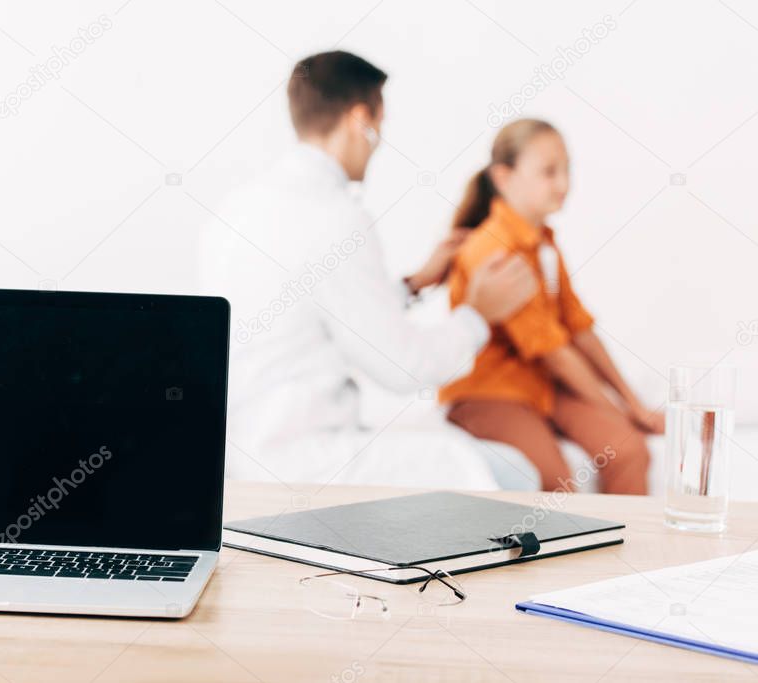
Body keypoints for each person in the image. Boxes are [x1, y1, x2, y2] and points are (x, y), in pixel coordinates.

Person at [198, 51, 537, 490]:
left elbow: (310, 317)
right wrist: (477, 314)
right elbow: (404, 368)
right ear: (361, 119)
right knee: (512, 472)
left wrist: (412, 285)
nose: (377, 144)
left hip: (240, 453)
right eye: (381, 128)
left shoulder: (238, 208)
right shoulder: (334, 217)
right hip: (302, 460)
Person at [440, 118, 662, 494]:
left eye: (566, 170)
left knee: (630, 452)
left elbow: (579, 328)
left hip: (544, 389)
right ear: (504, 177)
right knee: (556, 483)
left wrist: (632, 403)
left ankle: (627, 551)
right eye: (548, 172)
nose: (563, 184)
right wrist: (617, 409)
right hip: (491, 394)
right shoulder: (491, 249)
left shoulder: (545, 244)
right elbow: (554, 352)